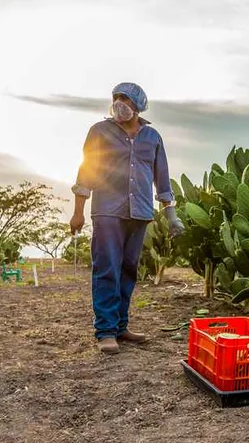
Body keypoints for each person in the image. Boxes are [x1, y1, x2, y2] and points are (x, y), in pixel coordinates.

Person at [69, 82, 185, 354]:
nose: (120, 103)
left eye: (126, 99)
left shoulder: (153, 137)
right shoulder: (99, 131)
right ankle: (106, 331)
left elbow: (162, 179)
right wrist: (78, 212)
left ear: (138, 105)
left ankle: (121, 326)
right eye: (116, 98)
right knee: (107, 268)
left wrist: (172, 216)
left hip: (141, 212)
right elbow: (87, 171)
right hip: (108, 209)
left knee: (129, 270)